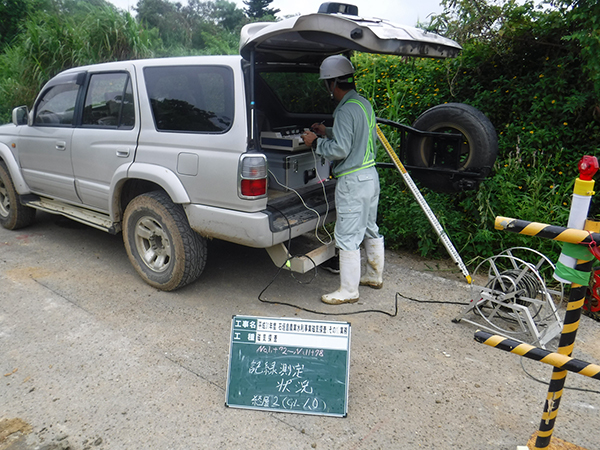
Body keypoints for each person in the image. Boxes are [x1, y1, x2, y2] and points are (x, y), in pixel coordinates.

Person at [302, 55, 385, 305]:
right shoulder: (363, 104)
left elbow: (340, 150)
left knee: (347, 235)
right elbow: (357, 136)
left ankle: (349, 291)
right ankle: (374, 275)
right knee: (371, 227)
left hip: (353, 180)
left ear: (332, 82)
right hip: (370, 176)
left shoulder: (346, 109)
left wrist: (315, 142)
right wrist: (326, 131)